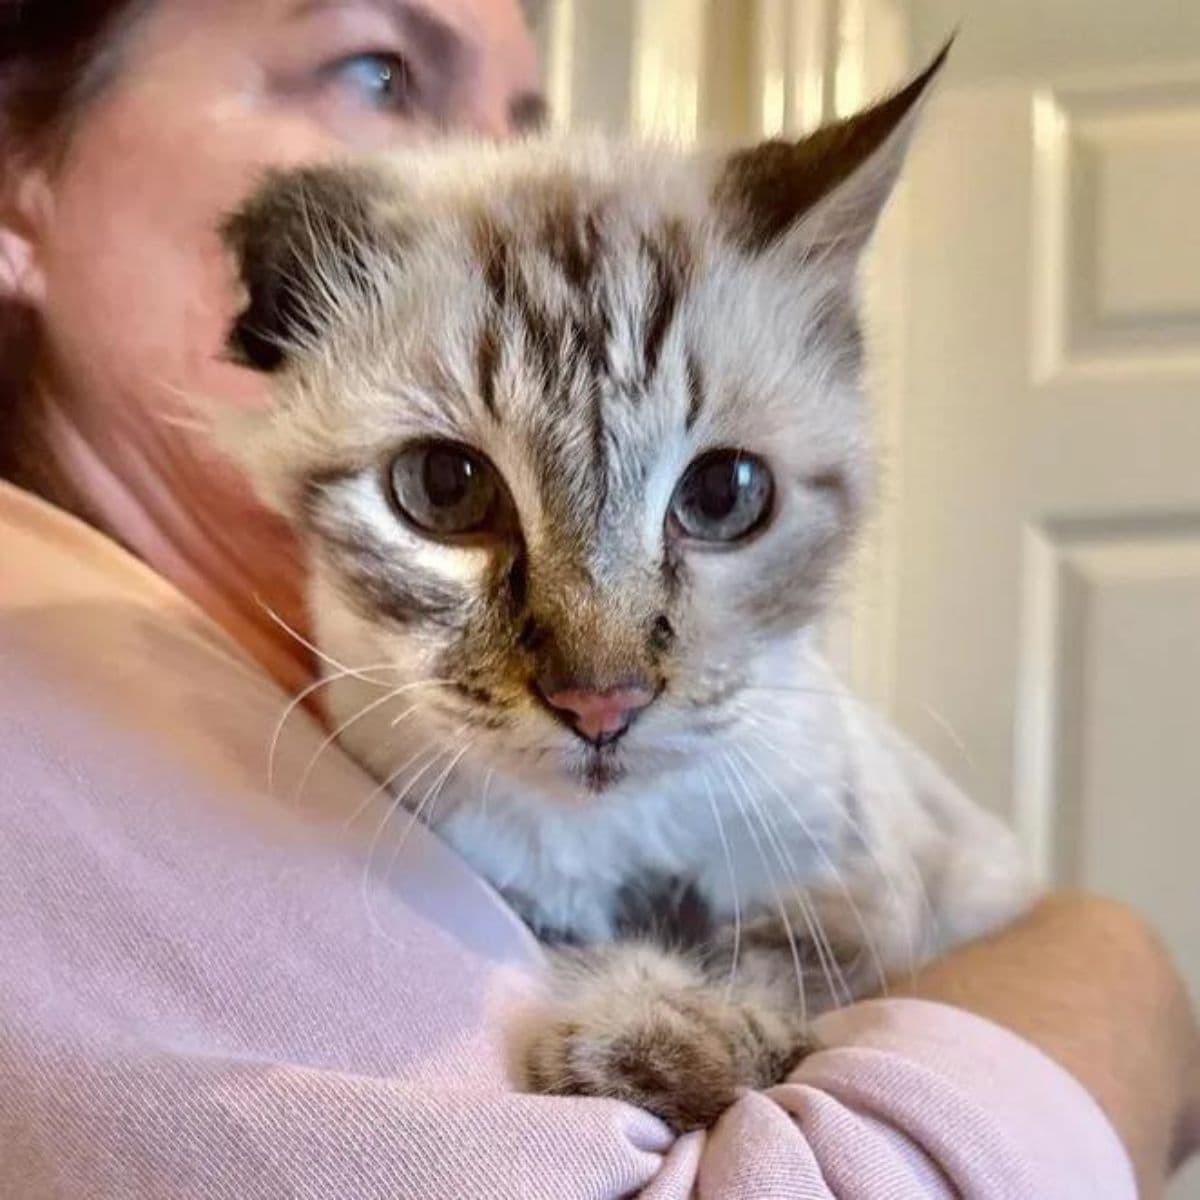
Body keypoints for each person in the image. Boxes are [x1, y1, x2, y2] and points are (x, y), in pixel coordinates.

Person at [0, 2, 1196, 1196]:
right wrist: (1107, 971)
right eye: (380, 76)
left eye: (721, 497)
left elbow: (924, 908)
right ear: (18, 168)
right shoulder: (52, 709)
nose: (601, 675)